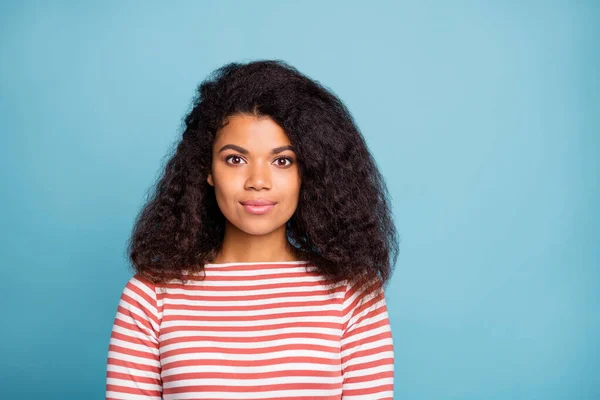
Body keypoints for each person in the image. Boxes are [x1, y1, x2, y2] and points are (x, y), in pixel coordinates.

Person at [105, 59, 400, 400]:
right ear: (207, 169)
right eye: (235, 159)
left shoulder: (354, 293)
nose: (257, 182)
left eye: (282, 161)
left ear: (309, 173)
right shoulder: (150, 297)